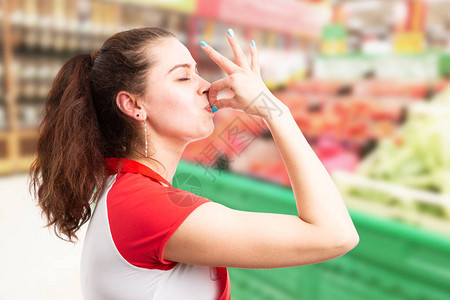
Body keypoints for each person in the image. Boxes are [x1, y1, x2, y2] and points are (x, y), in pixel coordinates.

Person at [29, 27, 359, 300]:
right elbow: (335, 235)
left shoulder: (125, 190)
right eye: (183, 78)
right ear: (134, 105)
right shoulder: (145, 207)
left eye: (197, 72)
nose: (205, 87)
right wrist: (274, 109)